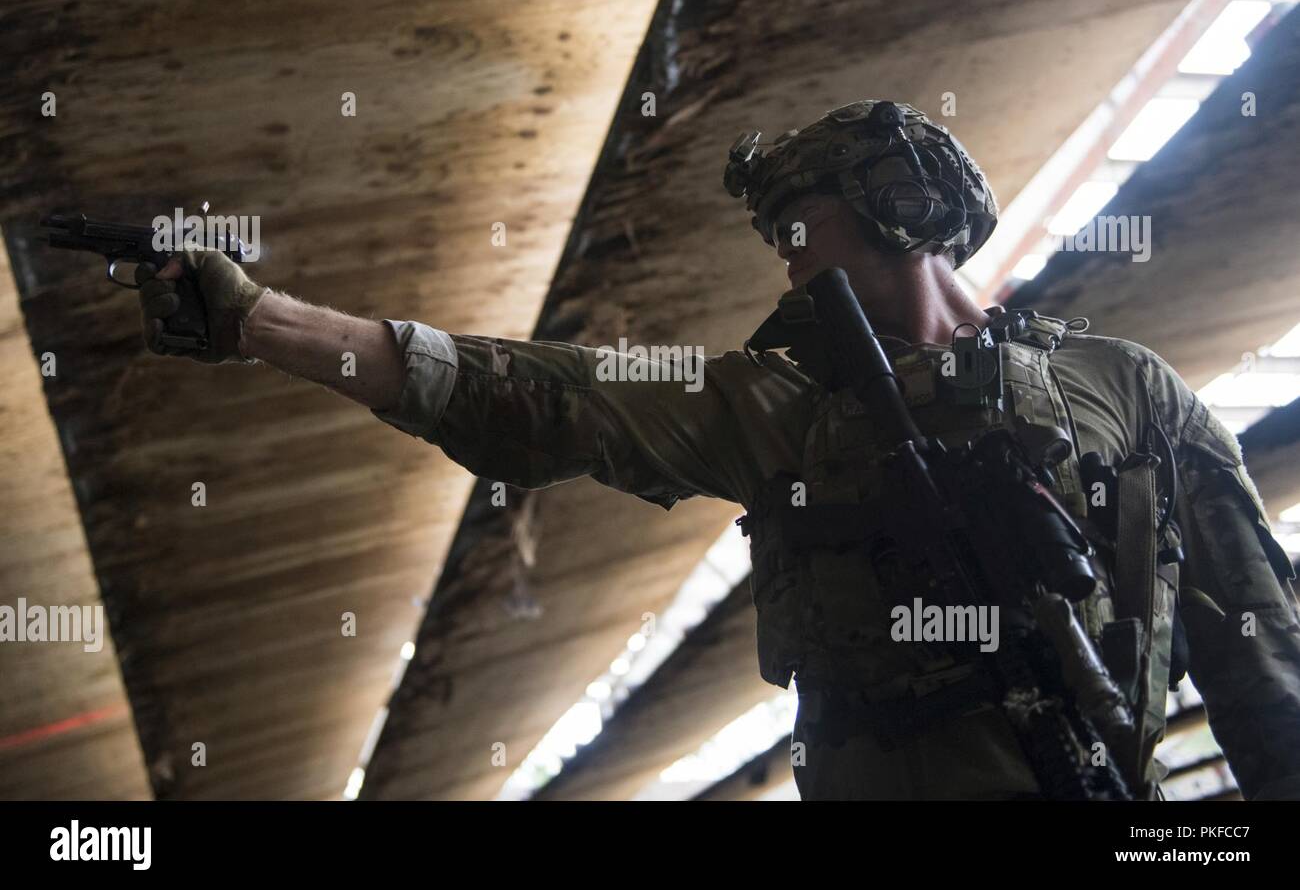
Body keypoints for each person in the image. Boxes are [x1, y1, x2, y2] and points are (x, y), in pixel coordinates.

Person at [136, 100, 1300, 799]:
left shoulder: (1127, 391)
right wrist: (260, 320)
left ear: (896, 207)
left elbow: (1261, 665)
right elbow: (549, 396)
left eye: (803, 224)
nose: (784, 258)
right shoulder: (778, 405)